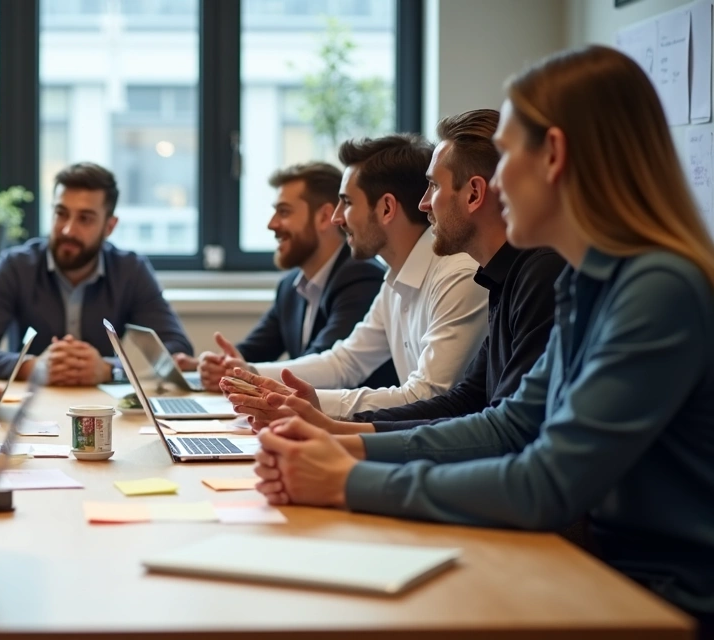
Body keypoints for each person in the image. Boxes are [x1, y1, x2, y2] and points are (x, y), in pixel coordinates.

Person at [253, 45, 714, 638]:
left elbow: (546, 482)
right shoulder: (587, 279)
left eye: (507, 154)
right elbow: (510, 425)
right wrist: (350, 449)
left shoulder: (657, 289)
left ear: (553, 156)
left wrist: (345, 479)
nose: (495, 183)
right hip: (604, 575)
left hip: (661, 600)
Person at [229, 110, 565, 435]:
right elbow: (462, 399)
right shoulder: (471, 276)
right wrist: (271, 386)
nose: (336, 218)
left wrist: (335, 425)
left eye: (347, 202)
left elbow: (446, 402)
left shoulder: (476, 273)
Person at [222, 135, 488, 420]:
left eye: (347, 203)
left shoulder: (459, 275)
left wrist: (310, 402)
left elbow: (427, 395)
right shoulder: (395, 279)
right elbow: (345, 362)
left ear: (386, 208)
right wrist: (254, 376)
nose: (337, 218)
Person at [0, 162, 193, 386]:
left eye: (85, 219)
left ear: (109, 227)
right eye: (61, 214)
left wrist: (110, 369)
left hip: (103, 406)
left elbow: (177, 350)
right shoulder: (16, 266)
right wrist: (32, 366)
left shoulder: (130, 270)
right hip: (31, 402)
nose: (68, 230)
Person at [189, 162, 396, 393]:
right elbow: (252, 352)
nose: (271, 224)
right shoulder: (290, 285)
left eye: (284, 212)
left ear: (324, 217)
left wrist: (244, 372)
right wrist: (215, 365)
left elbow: (324, 366)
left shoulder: (362, 277)